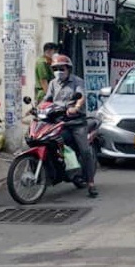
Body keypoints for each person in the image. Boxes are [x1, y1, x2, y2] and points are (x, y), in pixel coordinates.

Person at [42, 54, 98, 198]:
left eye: (62, 68)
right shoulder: (53, 83)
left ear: (68, 69)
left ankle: (91, 183)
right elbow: (47, 100)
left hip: (76, 123)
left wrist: (76, 107)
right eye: (55, 69)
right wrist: (37, 109)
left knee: (85, 151)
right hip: (58, 122)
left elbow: (81, 96)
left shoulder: (77, 81)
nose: (59, 71)